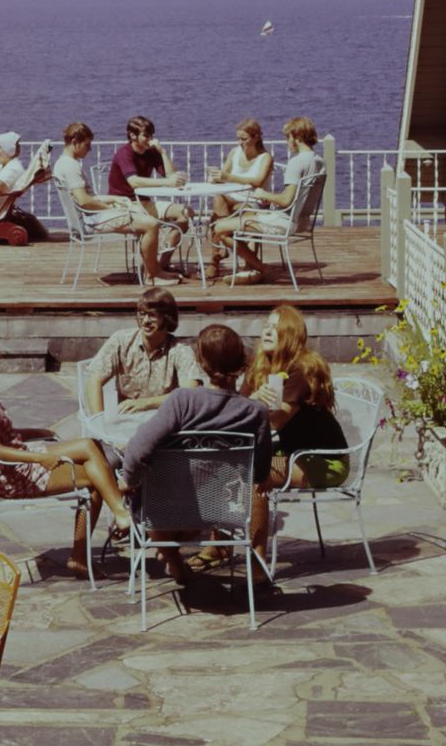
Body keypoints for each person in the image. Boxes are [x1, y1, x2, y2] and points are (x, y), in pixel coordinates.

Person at [0, 328, 130, 574]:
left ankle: (117, 502)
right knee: (98, 477)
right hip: (15, 476)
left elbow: (5, 436)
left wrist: (35, 431)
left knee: (90, 447)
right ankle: (117, 511)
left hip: (22, 457)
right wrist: (41, 457)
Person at [118, 323, 273, 583]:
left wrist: (129, 480)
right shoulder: (255, 412)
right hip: (223, 510)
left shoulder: (182, 400)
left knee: (143, 488)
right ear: (242, 361)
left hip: (166, 509)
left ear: (201, 362)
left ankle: (171, 556)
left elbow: (138, 449)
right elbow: (260, 471)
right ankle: (175, 560)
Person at [241, 305, 348, 552]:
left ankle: (257, 565)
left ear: (290, 334)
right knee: (229, 464)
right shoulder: (260, 365)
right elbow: (238, 408)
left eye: (275, 327)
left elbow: (276, 421)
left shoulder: (301, 369)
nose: (267, 331)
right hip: (289, 453)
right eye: (266, 325)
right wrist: (253, 398)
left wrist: (252, 405)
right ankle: (219, 547)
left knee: (254, 473)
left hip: (324, 460)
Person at [50, 122, 179, 285]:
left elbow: (87, 199)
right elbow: (84, 201)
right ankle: (151, 276)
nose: (89, 149)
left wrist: (113, 199)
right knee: (151, 224)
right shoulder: (71, 167)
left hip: (89, 217)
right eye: (87, 145)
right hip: (91, 221)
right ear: (75, 142)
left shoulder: (63, 163)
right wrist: (109, 207)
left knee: (144, 219)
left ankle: (155, 270)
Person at [208, 116, 325, 285]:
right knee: (225, 216)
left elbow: (285, 200)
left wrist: (264, 194)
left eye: (288, 137)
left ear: (297, 137)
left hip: (285, 221)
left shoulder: (296, 162)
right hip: (303, 221)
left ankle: (260, 268)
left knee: (220, 229)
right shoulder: (319, 161)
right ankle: (253, 267)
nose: (287, 142)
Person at [83, 286, 200, 416]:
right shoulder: (121, 340)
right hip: (125, 421)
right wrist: (99, 420)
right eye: (142, 313)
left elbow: (191, 391)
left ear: (167, 318)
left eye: (153, 315)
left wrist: (145, 403)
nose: (145, 321)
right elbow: (94, 379)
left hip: (165, 421)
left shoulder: (180, 350)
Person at [107, 116, 191, 255]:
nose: (150, 139)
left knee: (186, 212)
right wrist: (167, 183)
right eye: (146, 136)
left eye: (152, 135)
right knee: (151, 223)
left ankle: (163, 258)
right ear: (133, 135)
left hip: (144, 203)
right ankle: (152, 269)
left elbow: (171, 175)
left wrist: (162, 152)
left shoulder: (151, 152)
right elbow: (134, 181)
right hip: (124, 204)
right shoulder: (124, 153)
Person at [207, 119, 276, 222]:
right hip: (234, 197)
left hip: (255, 201)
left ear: (256, 138)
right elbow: (223, 175)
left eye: (244, 139)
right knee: (219, 198)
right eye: (238, 139)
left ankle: (222, 233)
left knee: (234, 210)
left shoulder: (265, 157)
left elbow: (258, 182)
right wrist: (215, 177)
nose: (240, 143)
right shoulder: (234, 153)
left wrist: (228, 177)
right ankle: (223, 233)